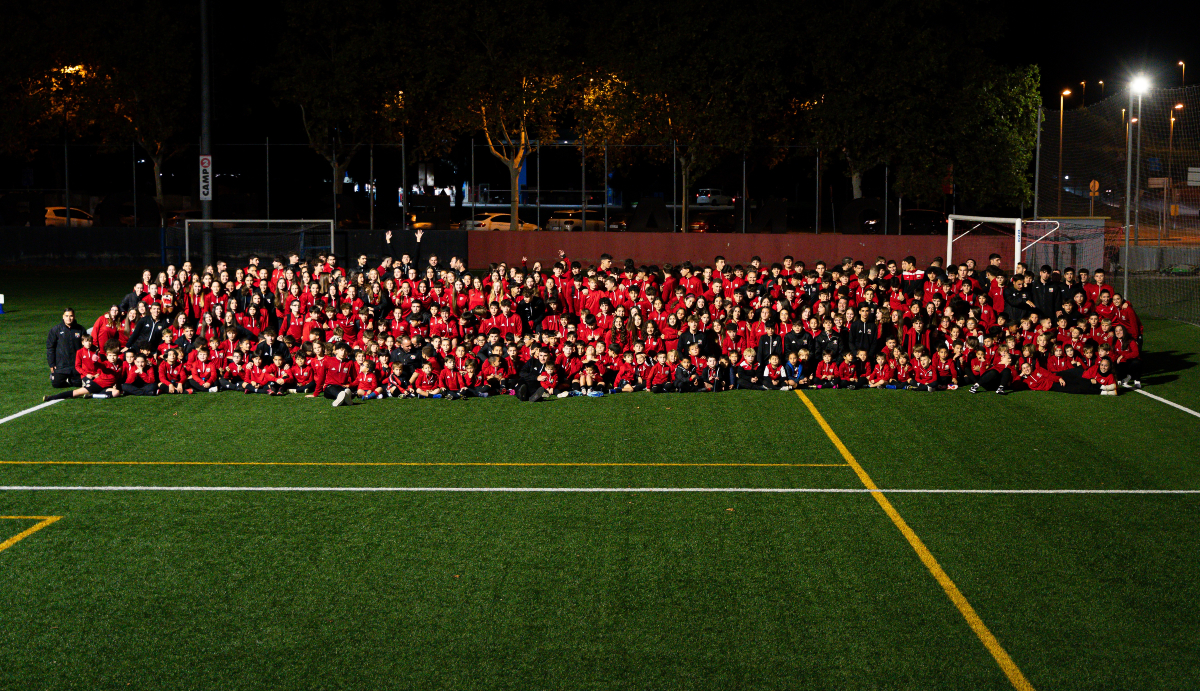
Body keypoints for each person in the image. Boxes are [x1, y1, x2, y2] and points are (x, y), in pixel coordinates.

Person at [47, 308, 85, 388]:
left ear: (74, 316)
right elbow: (50, 348)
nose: (69, 318)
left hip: (76, 364)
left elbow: (84, 347)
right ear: (63, 317)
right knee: (57, 384)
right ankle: (55, 376)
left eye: (71, 316)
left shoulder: (80, 329)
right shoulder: (56, 330)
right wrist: (51, 364)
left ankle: (70, 379)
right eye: (66, 316)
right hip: (61, 364)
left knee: (79, 384)